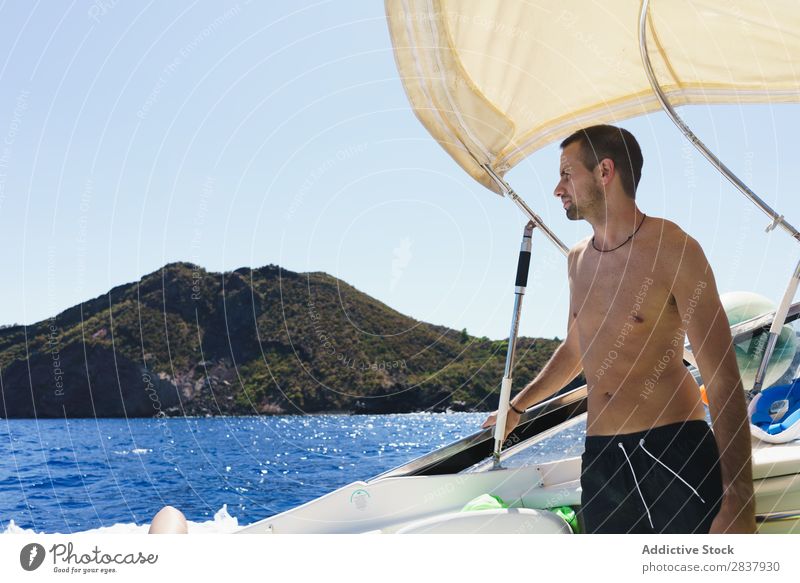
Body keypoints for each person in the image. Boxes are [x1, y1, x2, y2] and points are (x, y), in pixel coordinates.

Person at [482, 125, 756, 534]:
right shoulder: (577, 260)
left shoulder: (674, 249)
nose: (558, 188)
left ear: (604, 171)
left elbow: (722, 377)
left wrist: (739, 498)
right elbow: (577, 348)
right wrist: (518, 406)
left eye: (566, 173)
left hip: (672, 449)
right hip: (603, 457)